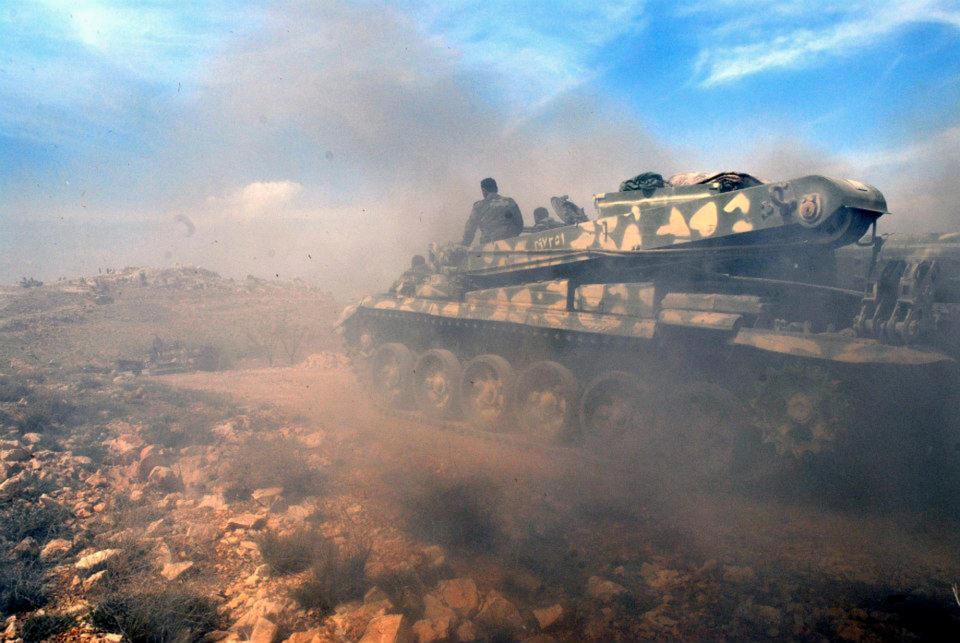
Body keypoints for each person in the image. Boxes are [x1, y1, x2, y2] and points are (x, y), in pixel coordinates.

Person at [461, 178, 524, 246]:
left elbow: (470, 228)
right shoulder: (510, 202)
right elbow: (519, 224)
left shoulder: (479, 206)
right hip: (511, 245)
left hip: (488, 247)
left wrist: (465, 244)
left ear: (483, 190)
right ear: (496, 188)